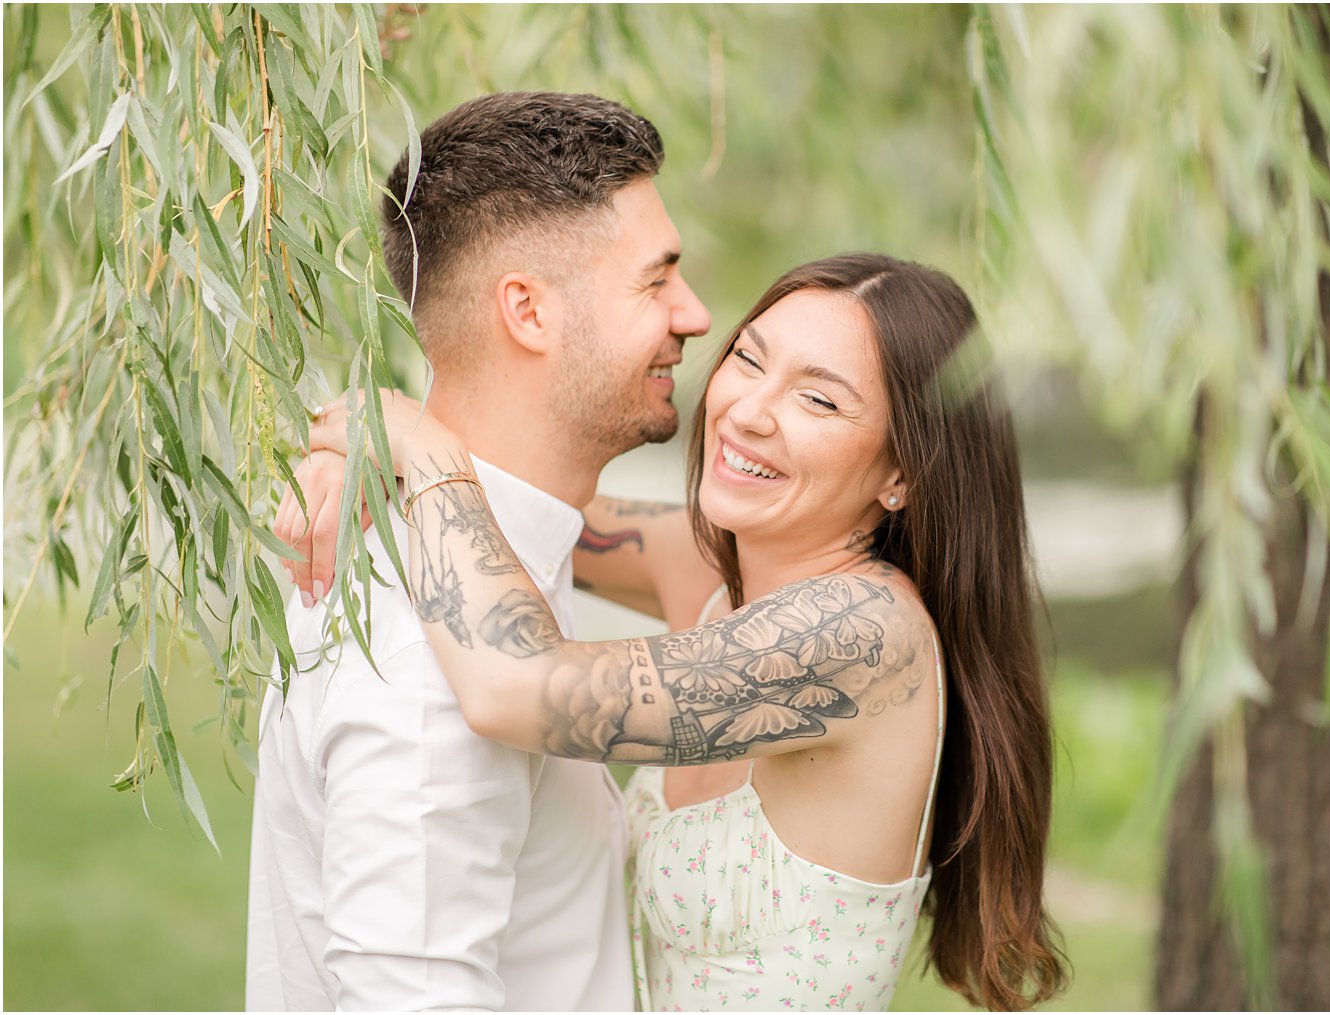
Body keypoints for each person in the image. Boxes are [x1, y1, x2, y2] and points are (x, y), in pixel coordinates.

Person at [285, 253, 1069, 1011]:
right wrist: (357, 458)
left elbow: (517, 686)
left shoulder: (862, 634)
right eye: (749, 359)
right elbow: (514, 508)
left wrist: (420, 453)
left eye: (819, 400)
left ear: (902, 472)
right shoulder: (711, 570)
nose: (750, 410)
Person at [244, 91, 711, 1011]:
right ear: (528, 312)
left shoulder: (490, 551)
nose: (693, 315)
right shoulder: (426, 664)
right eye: (657, 280)